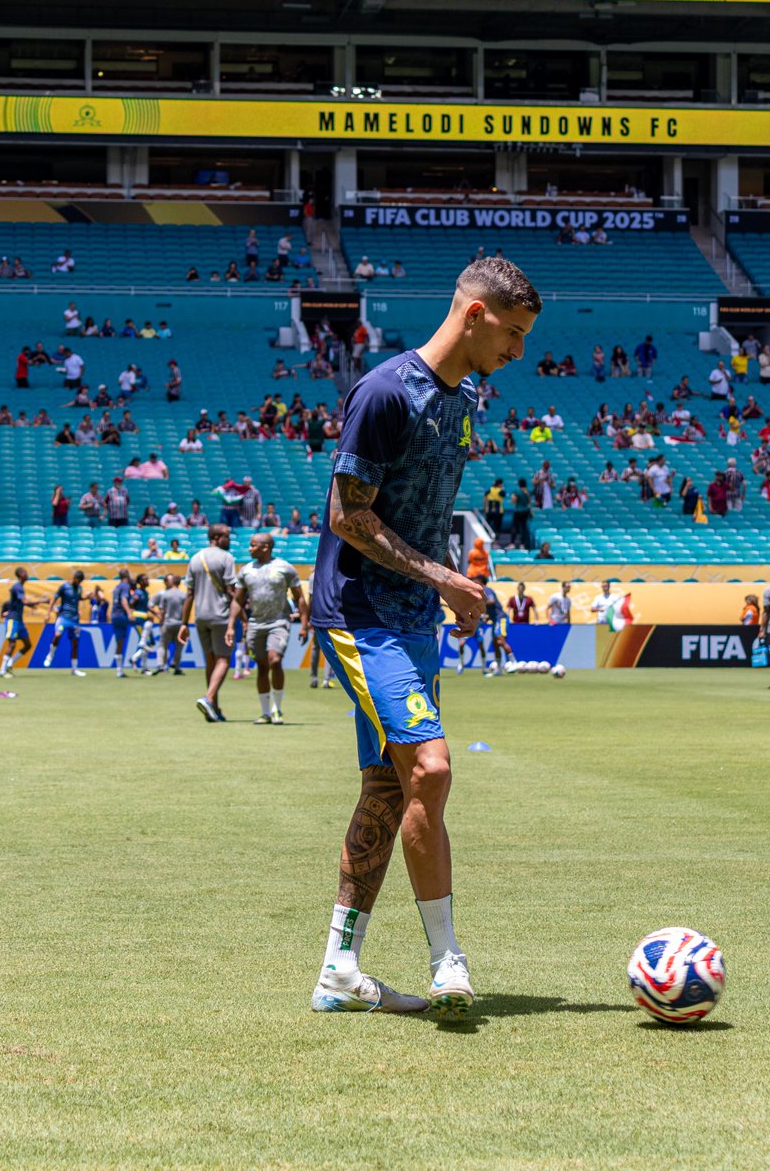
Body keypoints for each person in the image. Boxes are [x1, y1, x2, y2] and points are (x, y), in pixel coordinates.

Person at [309, 256, 541, 1018]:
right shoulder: (384, 392)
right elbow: (348, 515)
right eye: (511, 333)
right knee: (432, 771)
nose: (518, 351)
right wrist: (445, 578)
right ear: (474, 315)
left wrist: (449, 590)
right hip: (360, 614)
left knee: (389, 786)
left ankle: (339, 970)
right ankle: (448, 961)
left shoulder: (466, 396)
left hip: (414, 619)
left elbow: (422, 510)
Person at [227, 531, 310, 724]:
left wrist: (304, 624)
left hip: (279, 621)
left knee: (275, 660)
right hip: (256, 623)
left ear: (266, 547)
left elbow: (299, 597)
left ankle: (277, 709)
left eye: (253, 545)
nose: (249, 548)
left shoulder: (284, 568)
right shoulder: (246, 570)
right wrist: (231, 625)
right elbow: (237, 600)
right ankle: (265, 712)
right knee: (262, 666)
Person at [180, 524, 237, 721]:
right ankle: (209, 698)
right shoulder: (226, 558)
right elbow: (231, 591)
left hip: (200, 617)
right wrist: (242, 616)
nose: (229, 540)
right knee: (223, 660)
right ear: (217, 537)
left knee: (210, 661)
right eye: (227, 536)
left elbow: (189, 594)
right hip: (220, 615)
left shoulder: (195, 558)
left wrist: (184, 623)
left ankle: (214, 708)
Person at [0, 567, 46, 678]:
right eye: (25, 573)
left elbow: (21, 603)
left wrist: (31, 605)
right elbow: (24, 602)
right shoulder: (17, 586)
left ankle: (10, 663)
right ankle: (2, 671)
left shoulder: (20, 587)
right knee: (12, 644)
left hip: (19, 620)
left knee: (28, 645)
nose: (27, 575)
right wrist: (42, 601)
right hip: (12, 619)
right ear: (20, 574)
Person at [43, 570, 88, 676]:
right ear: (74, 578)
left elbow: (78, 598)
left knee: (75, 643)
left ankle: (74, 669)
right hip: (64, 617)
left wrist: (86, 597)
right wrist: (48, 614)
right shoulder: (64, 587)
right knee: (57, 635)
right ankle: (51, 654)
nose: (79, 583)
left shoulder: (79, 588)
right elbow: (54, 599)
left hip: (75, 619)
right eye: (78, 581)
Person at [151, 573, 188, 675]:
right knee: (179, 646)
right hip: (179, 623)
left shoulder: (166, 594)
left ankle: (160, 665)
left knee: (163, 645)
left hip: (167, 623)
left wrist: (161, 621)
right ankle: (176, 665)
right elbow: (185, 611)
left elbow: (162, 610)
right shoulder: (183, 595)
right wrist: (185, 624)